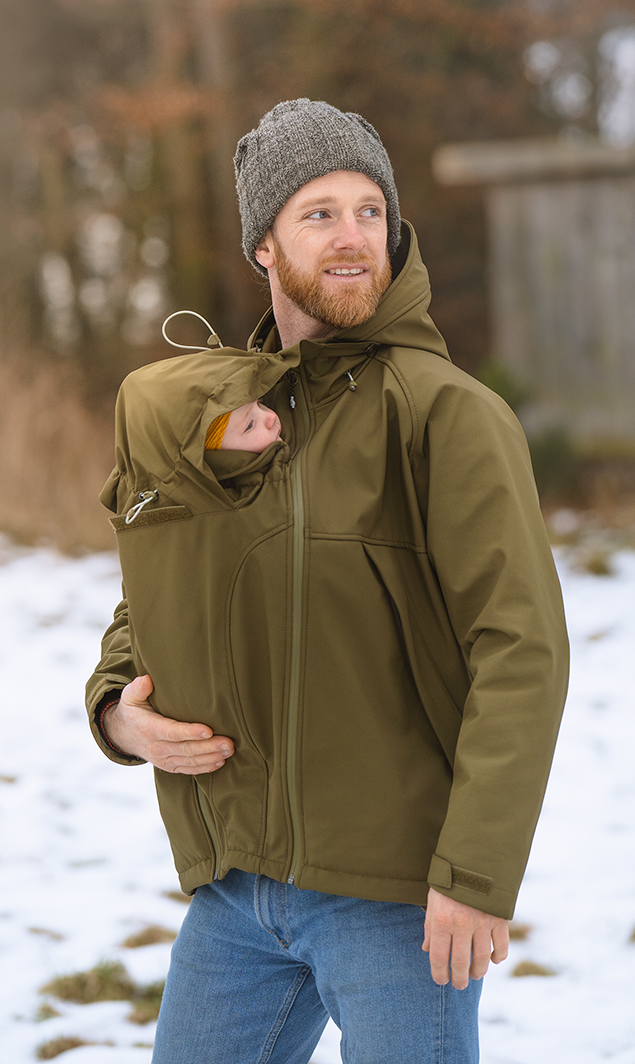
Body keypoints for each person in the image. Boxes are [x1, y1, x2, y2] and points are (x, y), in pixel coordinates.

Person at [86, 98, 569, 1064]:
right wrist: (115, 712)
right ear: (264, 245)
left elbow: (522, 652)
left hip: (395, 900)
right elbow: (158, 594)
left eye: (370, 212)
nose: (353, 238)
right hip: (238, 897)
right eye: (319, 214)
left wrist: (474, 871)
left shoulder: (445, 416)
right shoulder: (227, 418)